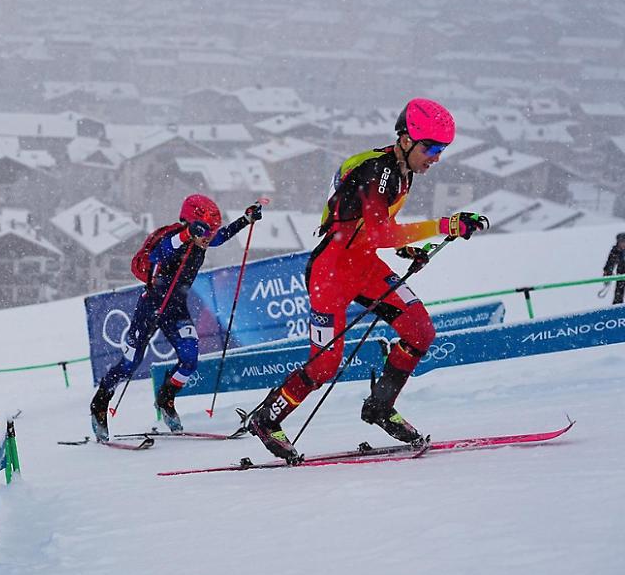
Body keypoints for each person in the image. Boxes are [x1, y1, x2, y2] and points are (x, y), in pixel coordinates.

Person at [244, 98, 489, 463]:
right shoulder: (379, 172)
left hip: (364, 267)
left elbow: (369, 233)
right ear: (406, 139)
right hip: (331, 273)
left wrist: (408, 253)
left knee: (420, 330)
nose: (436, 157)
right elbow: (379, 234)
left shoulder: (402, 173)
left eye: (442, 150)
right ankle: (266, 418)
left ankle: (380, 406)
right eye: (431, 148)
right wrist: (445, 225)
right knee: (324, 365)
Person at [89, 195, 263, 441]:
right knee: (130, 364)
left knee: (190, 360)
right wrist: (186, 235)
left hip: (176, 310)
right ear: (193, 225)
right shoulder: (173, 237)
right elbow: (156, 256)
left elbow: (221, 237)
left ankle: (166, 398)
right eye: (205, 232)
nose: (209, 238)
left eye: (210, 232)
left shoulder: (203, 237)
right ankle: (99, 403)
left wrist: (246, 220)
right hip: (150, 308)